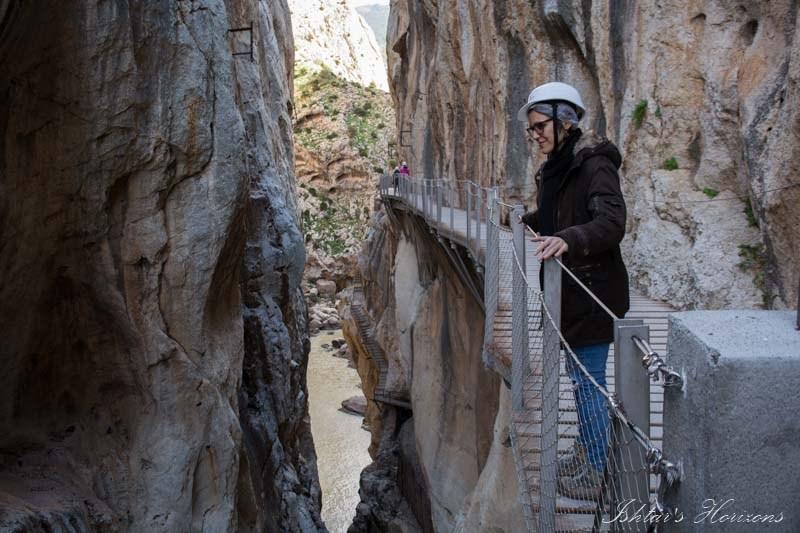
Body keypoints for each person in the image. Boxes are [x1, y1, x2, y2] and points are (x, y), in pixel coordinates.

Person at [517, 81, 630, 501]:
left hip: (593, 292)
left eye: (541, 125)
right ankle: (589, 452)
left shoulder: (592, 164)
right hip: (569, 293)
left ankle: (598, 471)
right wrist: (525, 220)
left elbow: (611, 223)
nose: (537, 135)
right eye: (532, 130)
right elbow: (554, 215)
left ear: (565, 120)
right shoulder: (559, 166)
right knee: (580, 380)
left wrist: (569, 239)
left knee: (588, 382)